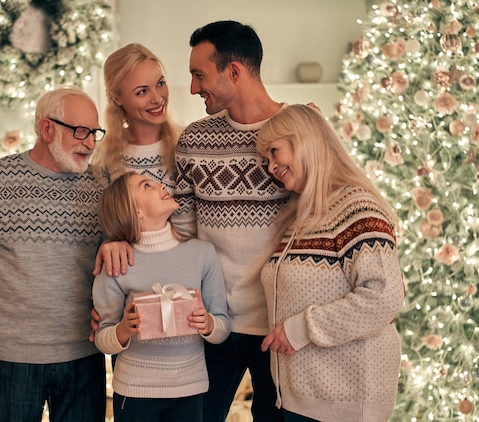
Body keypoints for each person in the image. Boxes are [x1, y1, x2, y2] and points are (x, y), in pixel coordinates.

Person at [0, 86, 107, 421]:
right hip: (9, 361)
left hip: (83, 356)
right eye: (80, 131)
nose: (90, 143)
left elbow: (121, 256)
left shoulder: (100, 184)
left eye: (94, 133)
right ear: (46, 128)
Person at [257, 104, 405, 421]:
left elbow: (383, 297)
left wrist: (300, 329)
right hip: (304, 399)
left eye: (274, 152)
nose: (270, 167)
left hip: (346, 402)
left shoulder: (357, 208)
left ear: (305, 140)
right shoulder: (303, 216)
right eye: (266, 160)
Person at [172, 20, 289, 421]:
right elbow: (182, 232)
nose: (192, 88)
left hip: (281, 328)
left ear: (234, 71)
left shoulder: (299, 133)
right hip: (211, 324)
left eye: (199, 75)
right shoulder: (193, 141)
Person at [92, 171, 230, 422]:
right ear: (135, 211)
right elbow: (102, 339)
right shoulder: (116, 263)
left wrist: (208, 324)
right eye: (147, 185)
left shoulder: (202, 254)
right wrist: (124, 329)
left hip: (190, 389)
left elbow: (222, 326)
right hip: (134, 392)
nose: (161, 186)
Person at [91, 42, 183, 192]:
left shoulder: (188, 141)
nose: (157, 99)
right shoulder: (104, 158)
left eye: (160, 83)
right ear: (117, 99)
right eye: (142, 92)